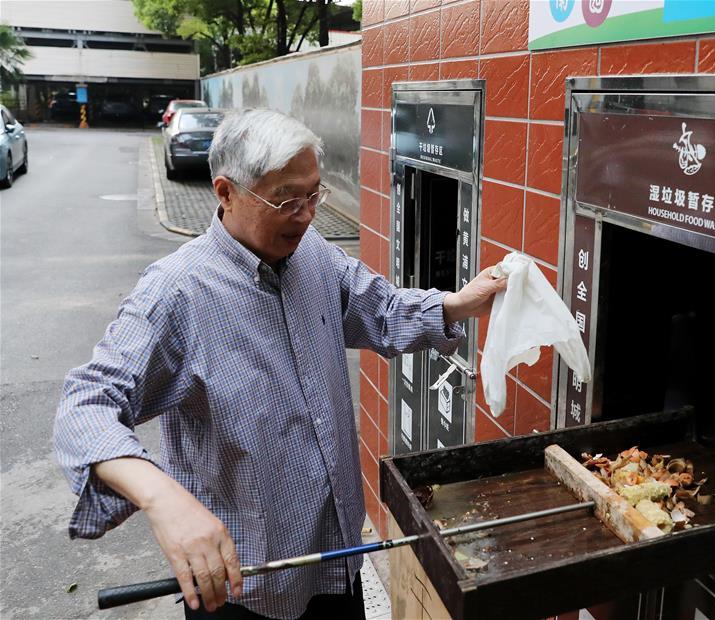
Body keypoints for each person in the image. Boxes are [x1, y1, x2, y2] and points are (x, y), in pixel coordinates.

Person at [53, 108, 506, 620]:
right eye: (288, 200)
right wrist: (163, 499)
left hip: (335, 560)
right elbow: (85, 405)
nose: (307, 214)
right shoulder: (175, 291)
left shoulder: (312, 251)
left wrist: (460, 303)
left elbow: (376, 307)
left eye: (315, 194)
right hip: (246, 587)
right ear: (225, 193)